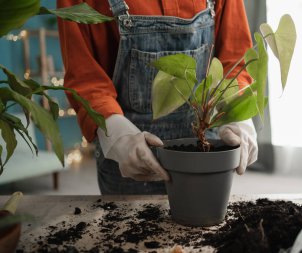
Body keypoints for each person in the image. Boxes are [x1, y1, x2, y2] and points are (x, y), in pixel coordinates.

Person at [58, 0, 258, 194]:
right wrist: (120, 137)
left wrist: (237, 117)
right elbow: (85, 76)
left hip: (204, 148)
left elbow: (235, 57)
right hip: (130, 157)